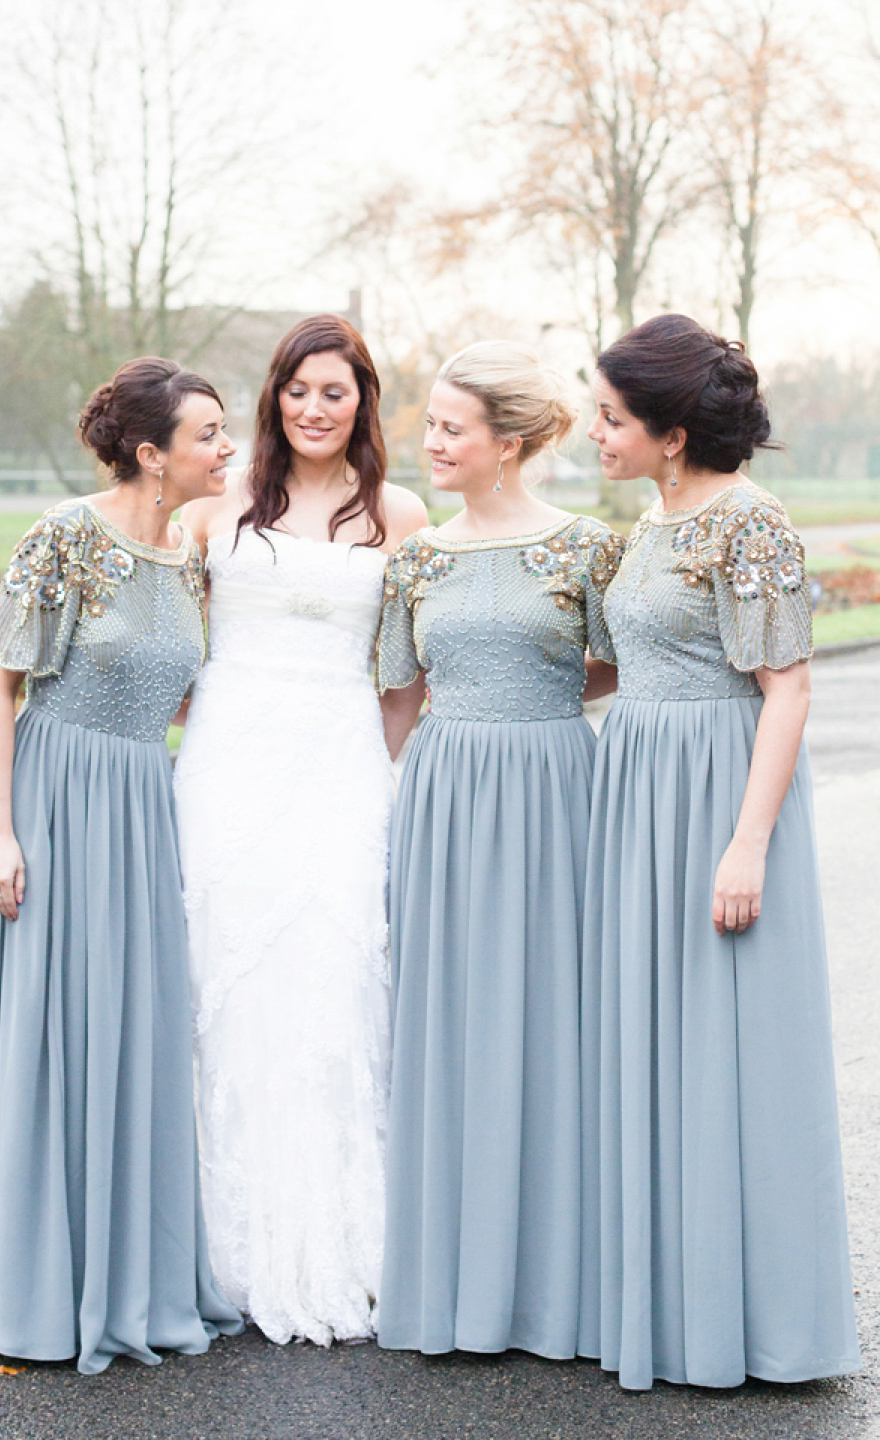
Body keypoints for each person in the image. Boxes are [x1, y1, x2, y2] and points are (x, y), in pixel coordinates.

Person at [0, 358, 243, 1373]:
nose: (227, 448)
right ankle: (37, 1280)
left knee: (132, 1034)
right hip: (58, 797)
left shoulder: (189, 559)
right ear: (151, 454)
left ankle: (131, 1271)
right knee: (52, 1035)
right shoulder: (64, 538)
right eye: (208, 433)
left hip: (142, 811)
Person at [578, 313, 860, 1389]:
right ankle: (666, 1299)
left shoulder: (754, 524)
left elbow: (786, 685)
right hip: (638, 787)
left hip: (717, 795)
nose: (597, 433)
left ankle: (758, 1322)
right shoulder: (650, 523)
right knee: (655, 1045)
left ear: (672, 430)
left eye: (611, 417)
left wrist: (747, 844)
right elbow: (619, 663)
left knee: (731, 1051)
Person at [174, 314, 427, 1345]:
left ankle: (343, 1235)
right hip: (230, 759)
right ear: (273, 395)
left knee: (333, 977)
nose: (315, 409)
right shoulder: (220, 503)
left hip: (339, 762)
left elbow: (408, 671)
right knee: (221, 972)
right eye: (298, 390)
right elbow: (163, 632)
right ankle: (211, 1239)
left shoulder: (398, 513)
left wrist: (375, 757)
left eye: (337, 391)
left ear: (364, 400)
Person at [375, 340, 623, 1356]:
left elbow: (620, 666)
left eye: (450, 428)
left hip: (557, 793)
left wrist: (540, 709)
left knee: (554, 1020)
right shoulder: (416, 557)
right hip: (441, 799)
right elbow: (396, 694)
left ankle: (558, 1285)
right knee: (452, 1022)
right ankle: (451, 1278)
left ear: (510, 443)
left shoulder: (587, 548)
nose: (430, 443)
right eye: (428, 424)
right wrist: (407, 801)